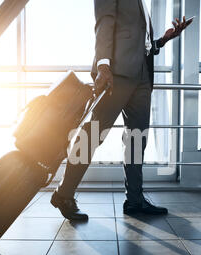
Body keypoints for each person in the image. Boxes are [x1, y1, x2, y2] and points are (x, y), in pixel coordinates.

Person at [51, 0, 193, 220]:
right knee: (92, 135)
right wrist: (103, 66)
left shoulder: (141, 5)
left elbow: (138, 44)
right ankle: (64, 193)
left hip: (142, 78)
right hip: (115, 76)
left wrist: (164, 39)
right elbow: (103, 24)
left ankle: (135, 199)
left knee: (137, 139)